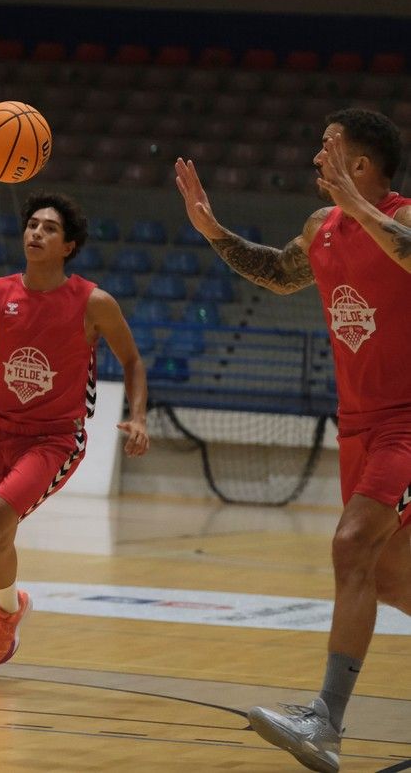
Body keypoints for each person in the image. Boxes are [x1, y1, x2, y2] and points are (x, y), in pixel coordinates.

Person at [176, 108, 411, 773]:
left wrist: (359, 207)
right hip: (359, 425)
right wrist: (213, 230)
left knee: (350, 544)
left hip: (407, 421)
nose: (315, 158)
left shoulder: (402, 218)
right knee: (388, 575)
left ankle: (325, 722)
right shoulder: (321, 227)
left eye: (328, 148)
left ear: (360, 164)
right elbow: (278, 273)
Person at [0, 192, 150, 678]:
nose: (36, 233)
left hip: (54, 439)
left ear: (68, 246)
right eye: (32, 225)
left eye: (49, 228)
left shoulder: (94, 303)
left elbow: (133, 361)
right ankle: (11, 610)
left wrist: (138, 417)